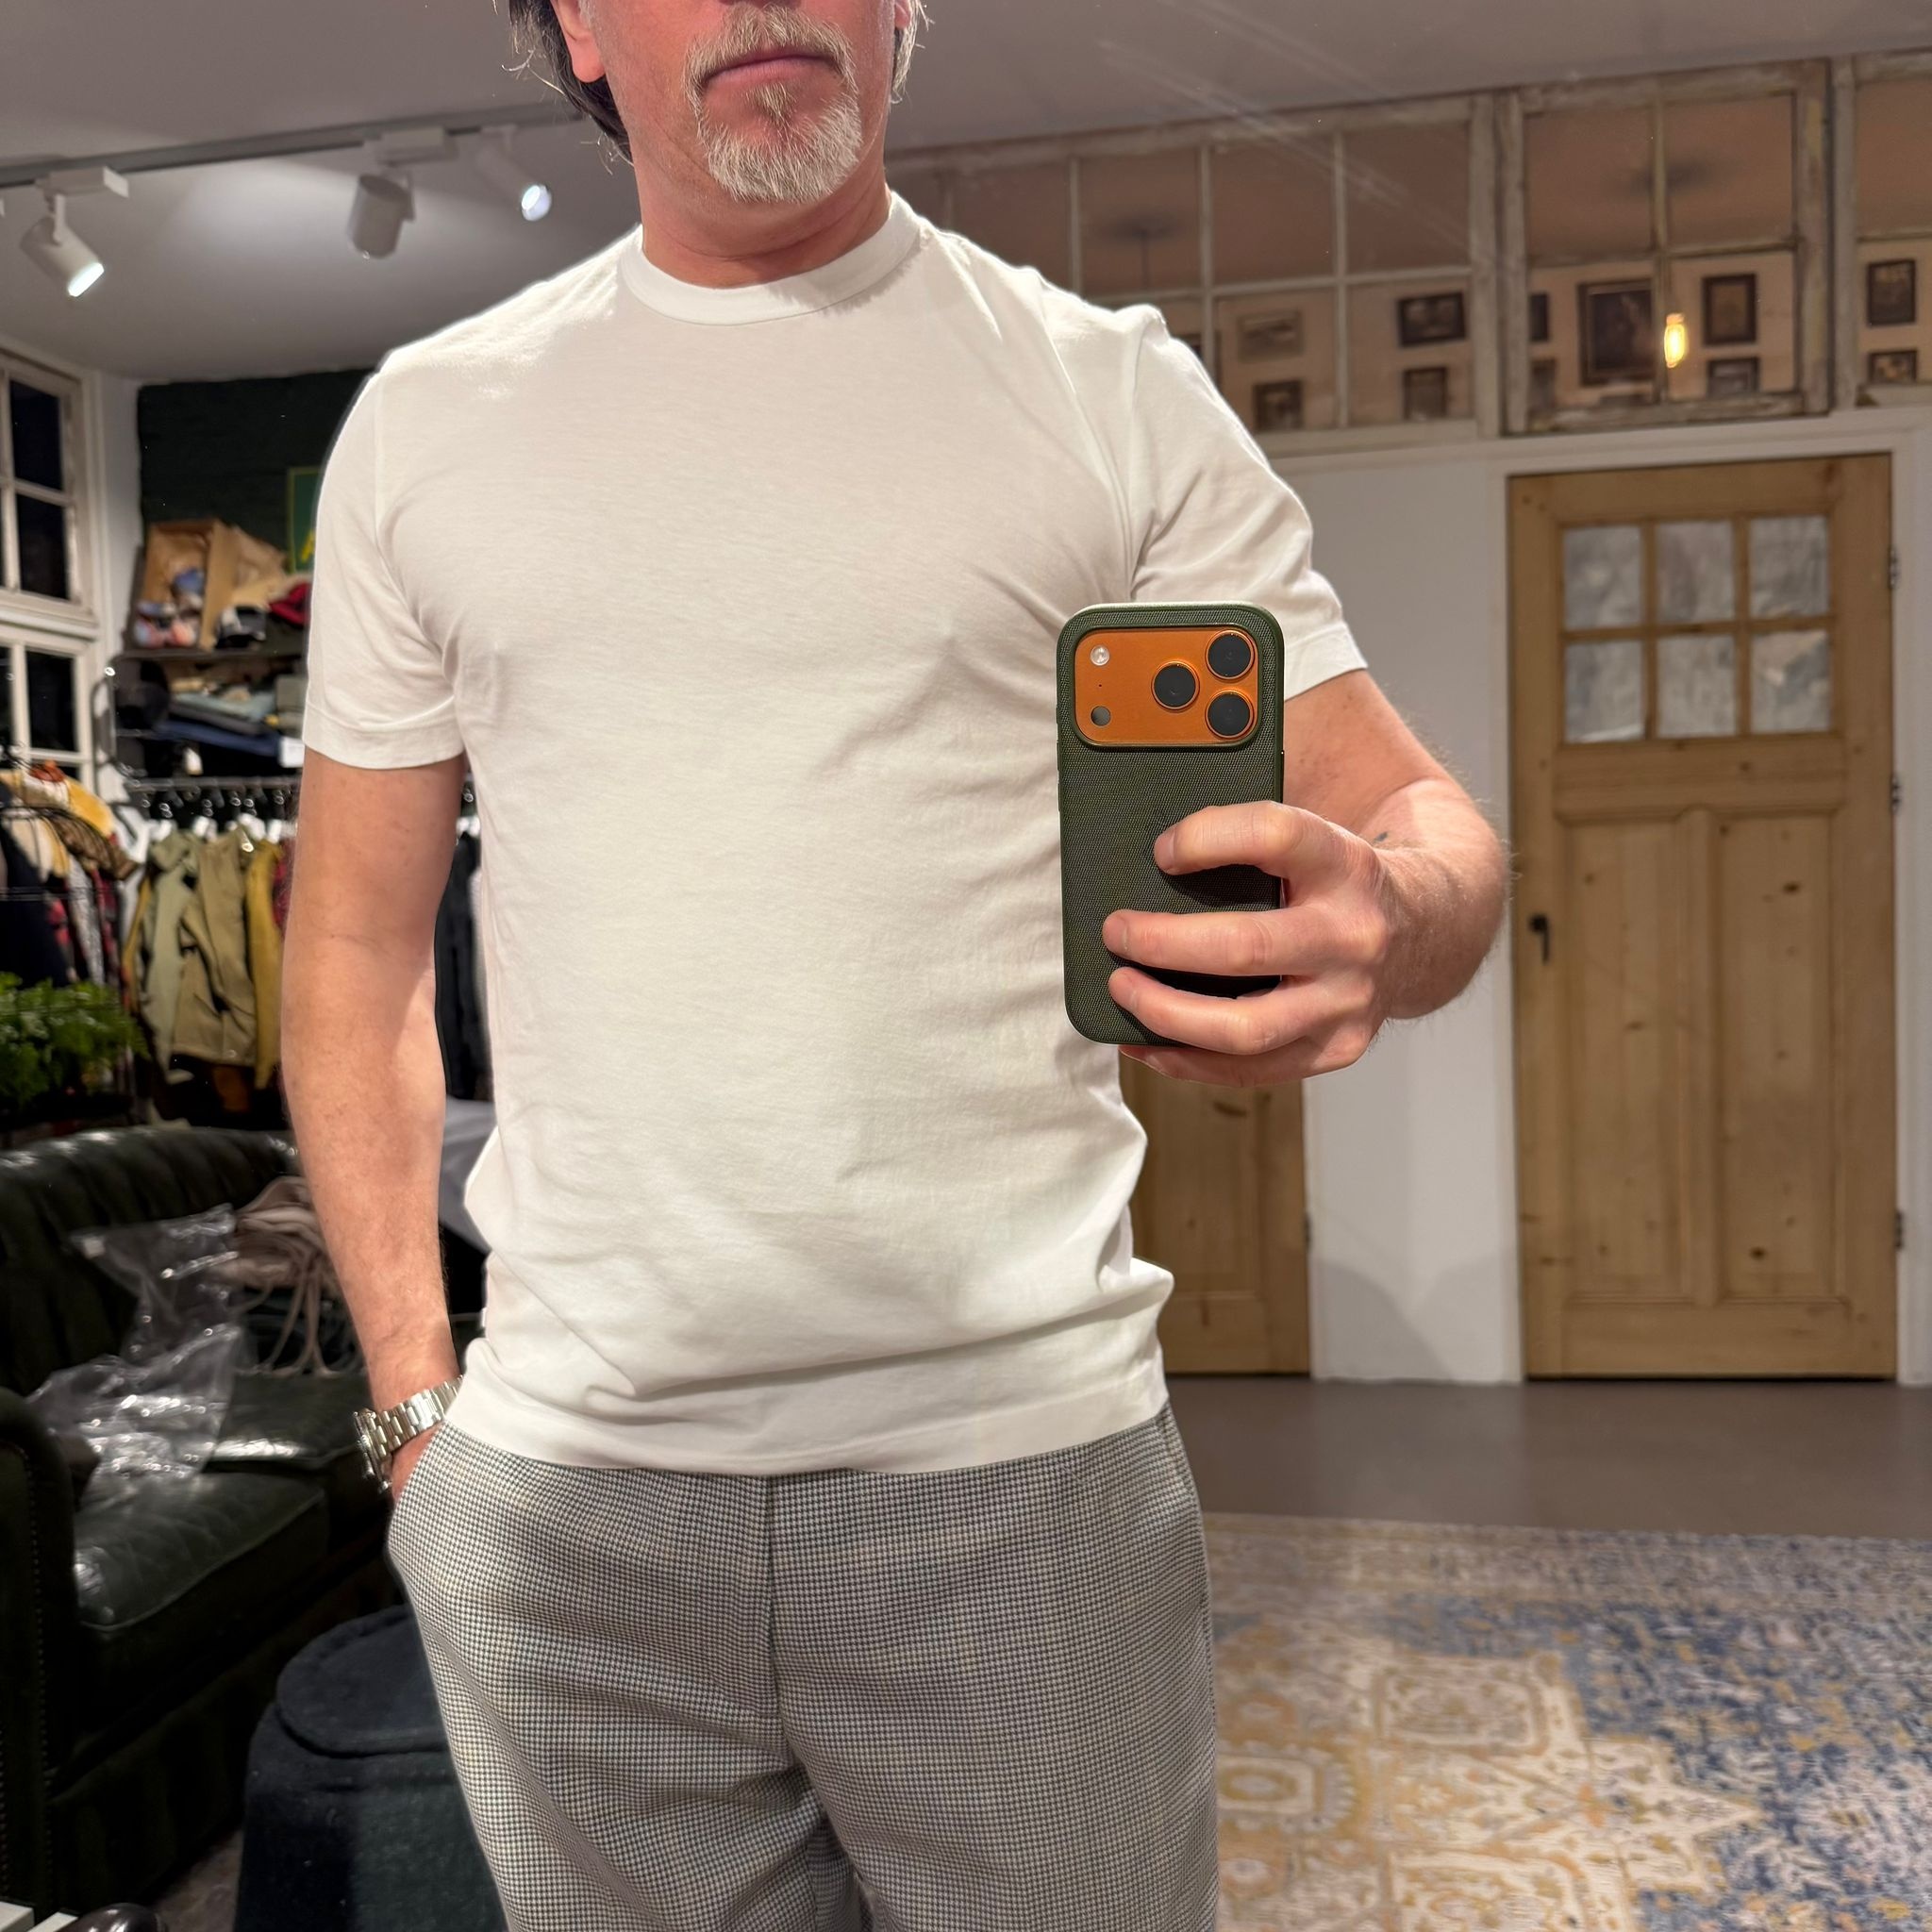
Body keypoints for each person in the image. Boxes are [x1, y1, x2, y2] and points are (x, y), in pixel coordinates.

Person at [278, 2, 1508, 1927]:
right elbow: (353, 950)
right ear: (575, 22)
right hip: (565, 1504)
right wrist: (417, 1415)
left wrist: (1396, 919)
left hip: (1022, 1482)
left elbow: (1432, 830)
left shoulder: (1108, 394)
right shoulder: (430, 432)